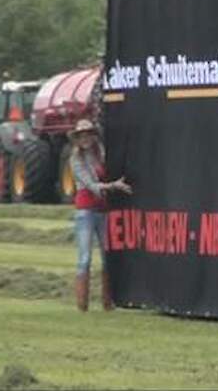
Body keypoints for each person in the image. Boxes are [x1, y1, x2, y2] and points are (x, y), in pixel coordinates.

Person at [68, 118, 132, 312]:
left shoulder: (100, 153)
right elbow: (92, 186)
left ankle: (107, 302)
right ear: (77, 139)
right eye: (82, 135)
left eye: (88, 134)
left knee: (107, 256)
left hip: (102, 210)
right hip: (85, 211)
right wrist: (114, 186)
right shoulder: (75, 160)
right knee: (85, 258)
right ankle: (82, 305)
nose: (86, 138)